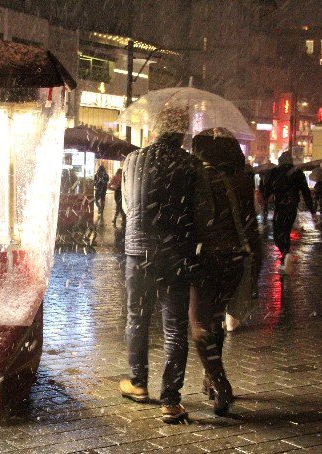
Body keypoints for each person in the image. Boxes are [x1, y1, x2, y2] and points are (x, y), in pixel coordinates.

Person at [119, 107, 212, 423]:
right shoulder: (192, 164)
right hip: (177, 254)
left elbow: (127, 205)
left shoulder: (133, 160)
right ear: (183, 133)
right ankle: (171, 401)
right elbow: (205, 213)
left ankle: (138, 383)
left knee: (137, 318)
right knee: (175, 327)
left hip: (138, 252)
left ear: (155, 129)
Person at [189, 130, 260, 416]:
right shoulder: (242, 179)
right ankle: (211, 379)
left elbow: (193, 220)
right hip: (235, 259)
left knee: (198, 324)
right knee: (216, 318)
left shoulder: (200, 177)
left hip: (206, 257)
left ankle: (222, 384)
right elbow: (249, 222)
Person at [263, 151, 316, 272]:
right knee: (286, 231)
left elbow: (267, 191)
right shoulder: (298, 173)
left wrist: (267, 197)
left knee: (278, 234)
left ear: (280, 161)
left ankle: (285, 253)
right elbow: (306, 192)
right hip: (292, 207)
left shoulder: (275, 172)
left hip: (280, 206)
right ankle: (285, 256)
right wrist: (312, 210)